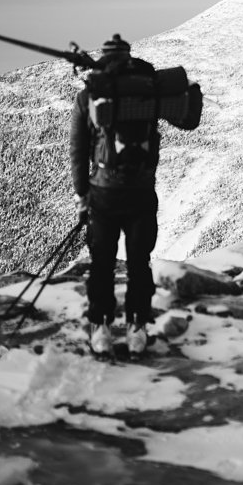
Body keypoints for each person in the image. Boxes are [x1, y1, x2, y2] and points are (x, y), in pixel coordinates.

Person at [71, 35, 166, 356]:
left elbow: (79, 148)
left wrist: (82, 193)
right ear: (128, 57)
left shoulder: (90, 94)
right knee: (140, 261)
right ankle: (137, 326)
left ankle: (101, 327)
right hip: (141, 191)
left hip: (103, 193)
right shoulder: (148, 87)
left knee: (102, 262)